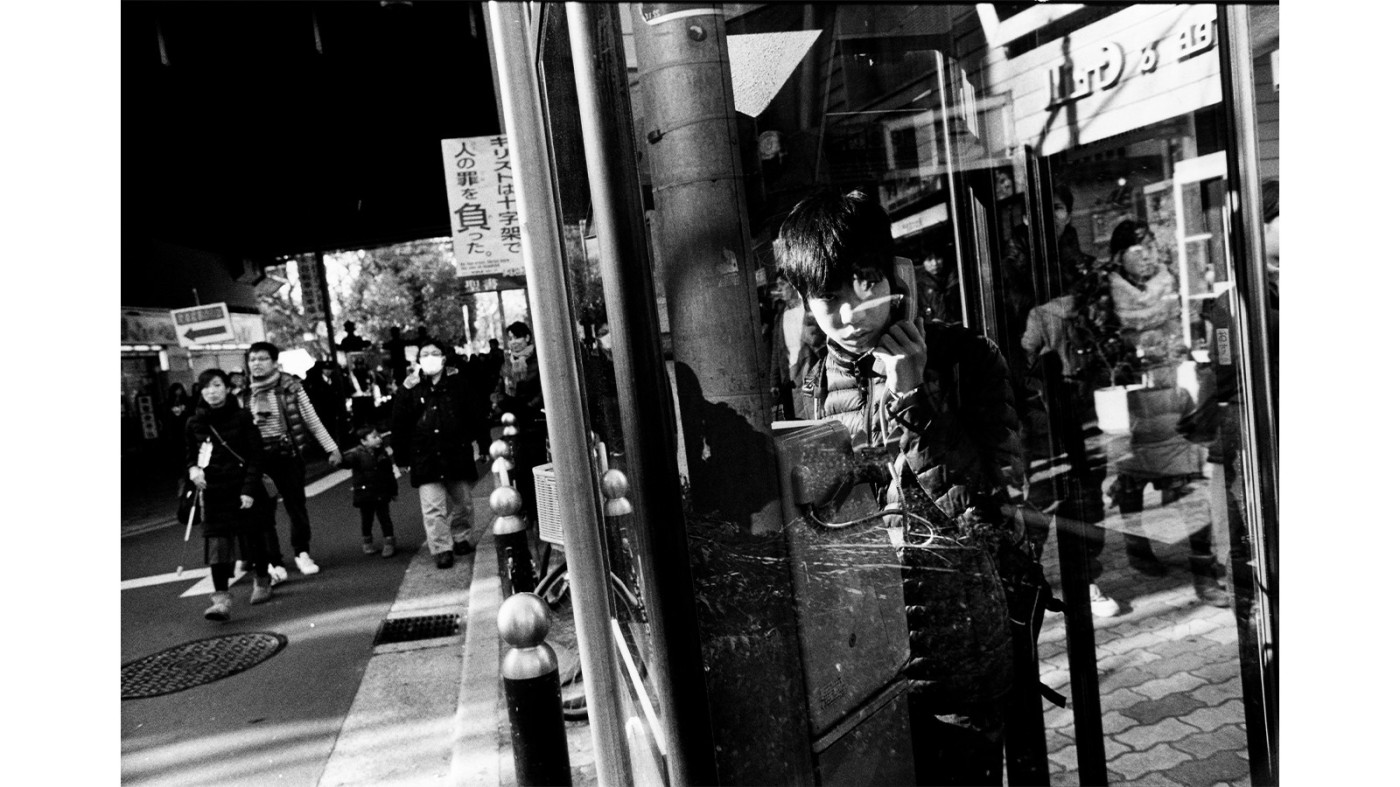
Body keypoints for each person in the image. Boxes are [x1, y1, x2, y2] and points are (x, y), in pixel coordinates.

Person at [775, 190, 1028, 786]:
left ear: (896, 275)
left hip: (954, 660)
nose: (848, 314)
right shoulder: (808, 384)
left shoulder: (966, 359)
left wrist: (915, 400)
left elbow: (988, 513)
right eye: (827, 297)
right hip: (857, 663)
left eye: (863, 283)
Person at [242, 341, 343, 580]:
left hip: (288, 456)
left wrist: (332, 448)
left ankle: (302, 552)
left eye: (262, 359)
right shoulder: (244, 393)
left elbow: (312, 420)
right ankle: (274, 561)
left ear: (275, 362)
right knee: (263, 513)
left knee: (296, 507)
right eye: (252, 359)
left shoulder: (292, 388)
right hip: (258, 461)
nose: (256, 363)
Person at [185, 368, 278, 621]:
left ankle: (262, 580)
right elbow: (189, 455)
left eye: (217, 385)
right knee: (217, 545)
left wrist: (249, 490)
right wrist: (193, 469)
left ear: (227, 389)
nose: (211, 391)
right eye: (206, 387)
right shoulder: (194, 422)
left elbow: (256, 456)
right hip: (213, 491)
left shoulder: (242, 417)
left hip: (243, 488)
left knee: (253, 536)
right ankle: (221, 600)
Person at [392, 340, 485, 568]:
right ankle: (442, 549)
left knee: (464, 502)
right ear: (419, 360)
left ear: (444, 358)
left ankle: (462, 537)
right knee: (433, 508)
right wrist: (401, 458)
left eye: (435, 353)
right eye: (425, 354)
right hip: (425, 456)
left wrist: (484, 444)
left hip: (456, 453)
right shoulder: (409, 388)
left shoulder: (458, 382)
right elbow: (399, 424)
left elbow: (475, 413)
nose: (430, 357)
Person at [493, 321, 545, 523]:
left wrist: (528, 406)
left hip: (537, 423)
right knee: (521, 471)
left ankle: (543, 513)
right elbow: (499, 391)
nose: (513, 342)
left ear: (528, 338)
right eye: (510, 338)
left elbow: (543, 389)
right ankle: (529, 512)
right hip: (516, 426)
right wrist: (503, 403)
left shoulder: (539, 359)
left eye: (517, 337)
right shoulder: (507, 364)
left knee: (540, 468)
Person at [768, 276, 824, 421]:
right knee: (793, 420)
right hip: (788, 379)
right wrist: (774, 382)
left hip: (809, 373)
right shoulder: (780, 316)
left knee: (813, 415)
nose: (779, 289)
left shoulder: (808, 311)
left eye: (782, 284)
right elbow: (776, 351)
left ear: (793, 285)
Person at [342, 425, 400, 558]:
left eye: (379, 436)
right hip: (365, 494)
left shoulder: (382, 453)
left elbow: (389, 474)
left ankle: (389, 542)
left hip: (381, 491)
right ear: (364, 441)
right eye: (374, 437)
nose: (379, 439)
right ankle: (367, 541)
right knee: (367, 519)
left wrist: (393, 491)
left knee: (385, 518)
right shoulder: (356, 454)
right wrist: (337, 458)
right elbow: (345, 462)